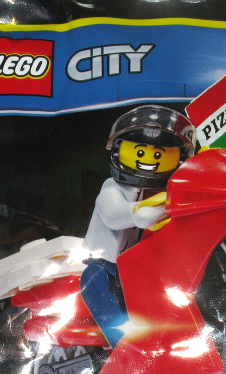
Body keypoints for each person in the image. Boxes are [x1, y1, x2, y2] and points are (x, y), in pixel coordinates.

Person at [80, 105, 197, 347]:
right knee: (93, 281)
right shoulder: (112, 187)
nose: (148, 161)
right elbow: (113, 214)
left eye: (160, 155)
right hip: (108, 265)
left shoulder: (171, 192)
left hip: (146, 264)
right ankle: (124, 346)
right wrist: (138, 213)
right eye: (139, 152)